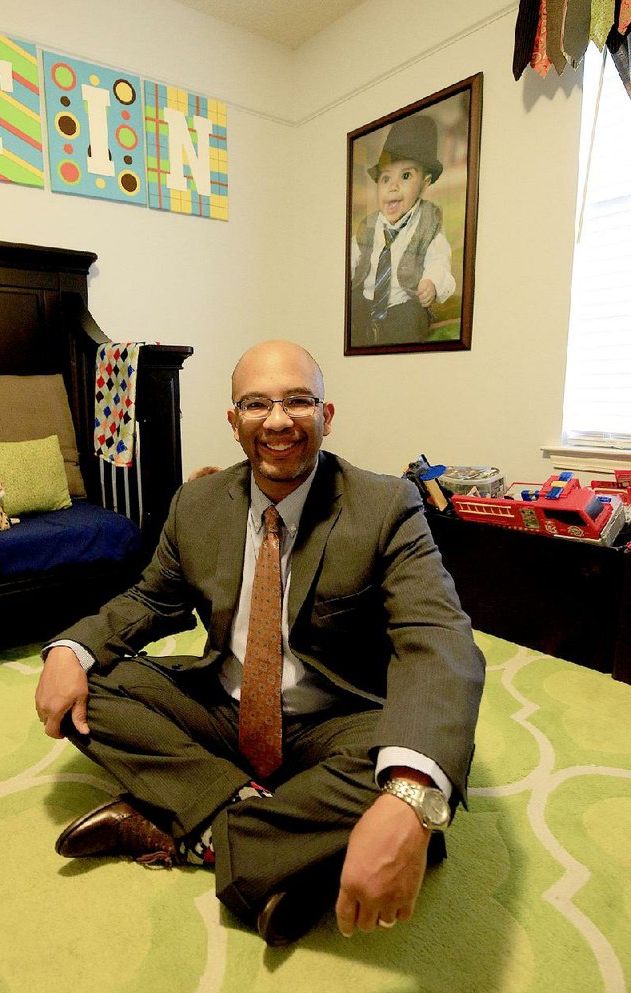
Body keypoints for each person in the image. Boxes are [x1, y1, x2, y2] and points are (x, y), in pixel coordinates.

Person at [35, 340, 485, 947]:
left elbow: (438, 640)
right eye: (256, 405)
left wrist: (408, 795)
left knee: (420, 755)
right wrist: (70, 650)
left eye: (298, 401)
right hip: (225, 706)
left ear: (326, 417)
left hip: (335, 723)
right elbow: (150, 600)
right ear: (233, 421)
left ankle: (183, 823)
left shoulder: (386, 506)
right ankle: (276, 845)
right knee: (91, 690)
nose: (278, 421)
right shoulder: (195, 504)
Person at [349, 114, 456, 347]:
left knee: (412, 319)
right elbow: (352, 254)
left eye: (406, 176)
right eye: (386, 178)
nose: (393, 187)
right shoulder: (368, 225)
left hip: (402, 302)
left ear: (425, 183)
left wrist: (432, 282)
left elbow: (439, 260)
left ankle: (382, 335)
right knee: (352, 307)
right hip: (367, 299)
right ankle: (368, 333)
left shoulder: (428, 222)